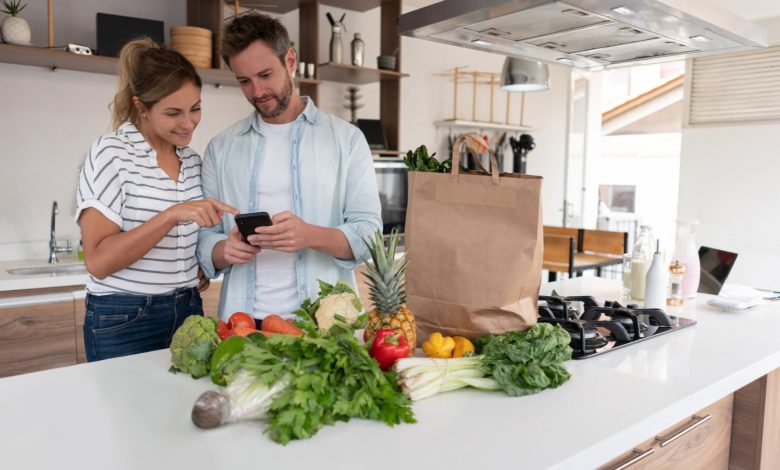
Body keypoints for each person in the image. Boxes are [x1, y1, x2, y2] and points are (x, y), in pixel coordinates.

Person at [197, 12, 382, 321]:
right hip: (243, 325)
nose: (257, 92)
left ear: (291, 61)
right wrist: (223, 250)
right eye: (244, 81)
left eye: (265, 74)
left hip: (325, 325)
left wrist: (310, 235)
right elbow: (205, 238)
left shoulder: (347, 140)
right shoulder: (221, 148)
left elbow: (370, 235)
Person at [76, 38, 237, 361]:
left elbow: (191, 244)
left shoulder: (192, 162)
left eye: (196, 108)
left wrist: (198, 265)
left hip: (188, 309)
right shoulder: (112, 153)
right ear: (141, 107)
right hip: (124, 318)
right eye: (173, 113)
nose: (188, 122)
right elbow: (98, 261)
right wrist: (171, 215)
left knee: (181, 411)